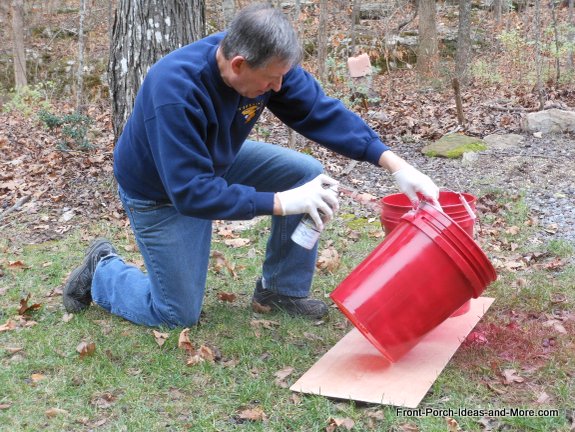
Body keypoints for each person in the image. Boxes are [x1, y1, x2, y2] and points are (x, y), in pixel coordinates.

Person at [63, 3, 440, 327]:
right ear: (239, 65)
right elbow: (191, 192)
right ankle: (102, 270)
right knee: (176, 313)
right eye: (271, 80)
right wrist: (282, 203)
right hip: (161, 190)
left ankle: (280, 290)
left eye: (283, 77)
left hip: (213, 161)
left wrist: (396, 165)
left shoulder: (266, 62)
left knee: (305, 173)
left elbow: (319, 112)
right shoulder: (176, 90)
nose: (278, 87)